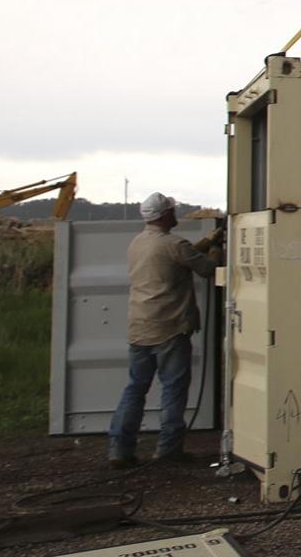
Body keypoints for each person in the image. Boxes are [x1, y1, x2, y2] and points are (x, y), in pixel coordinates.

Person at [107, 192, 224, 468]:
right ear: (164, 215)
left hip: (139, 326)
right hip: (169, 328)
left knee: (135, 388)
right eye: (172, 210)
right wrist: (218, 246)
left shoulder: (138, 243)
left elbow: (178, 256)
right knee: (173, 388)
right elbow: (206, 268)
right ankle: (168, 449)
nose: (175, 214)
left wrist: (206, 241)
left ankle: (119, 449)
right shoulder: (174, 244)